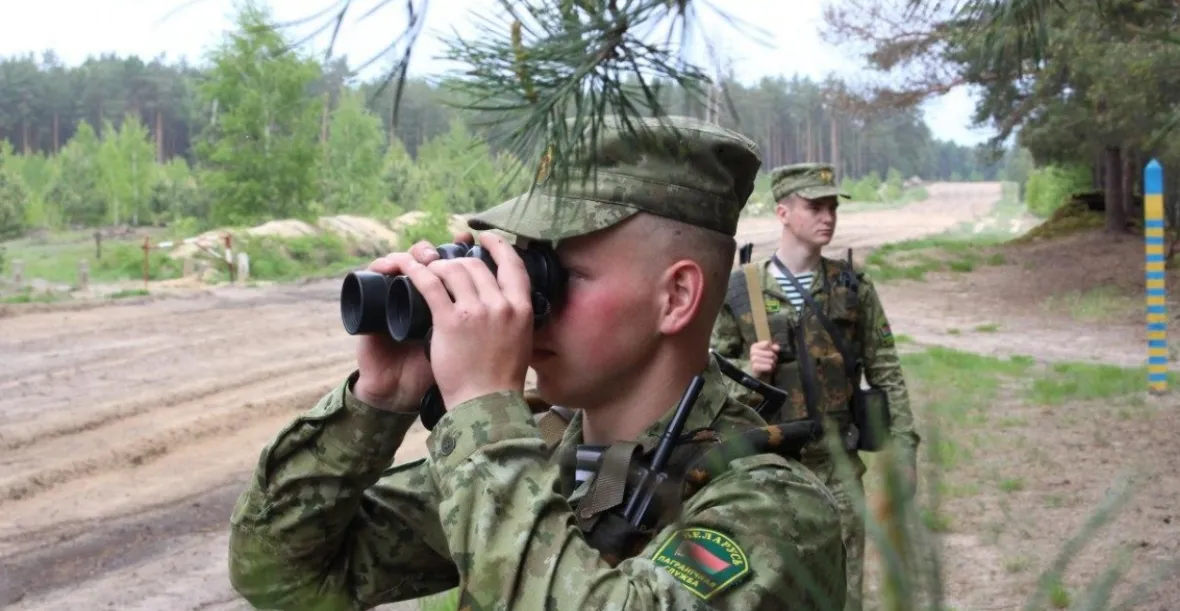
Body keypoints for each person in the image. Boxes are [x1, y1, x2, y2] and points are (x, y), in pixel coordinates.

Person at [227, 117, 848, 611]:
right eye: (519, 268)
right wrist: (379, 400)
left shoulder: (774, 508)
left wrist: (481, 407)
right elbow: (281, 575)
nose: (523, 304)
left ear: (676, 297)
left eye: (561, 275)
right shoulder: (548, 455)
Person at [708, 162, 921, 611]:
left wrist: (904, 450)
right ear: (783, 213)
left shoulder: (852, 286)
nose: (828, 217)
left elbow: (886, 371)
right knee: (766, 592)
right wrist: (751, 367)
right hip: (764, 471)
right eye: (814, 207)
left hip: (837, 469)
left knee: (844, 593)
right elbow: (710, 384)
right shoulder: (742, 290)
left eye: (831, 207)